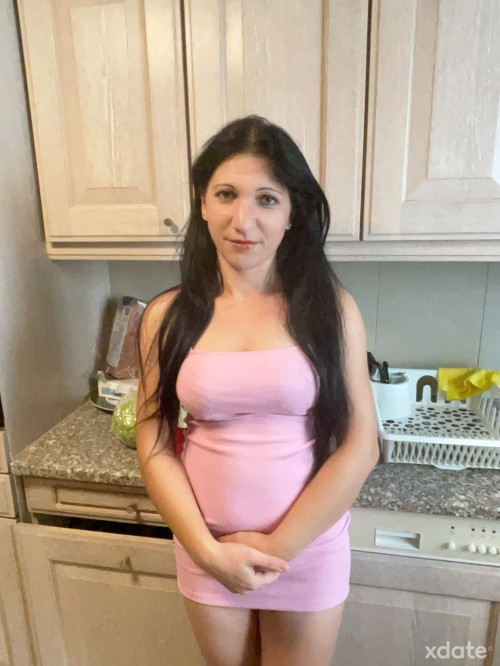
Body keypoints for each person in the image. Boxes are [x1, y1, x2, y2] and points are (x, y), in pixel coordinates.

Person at [136, 116, 379, 666]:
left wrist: (276, 548)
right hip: (208, 547)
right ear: (203, 202)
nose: (242, 220)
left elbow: (361, 445)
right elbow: (154, 442)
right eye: (226, 194)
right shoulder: (166, 315)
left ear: (292, 213)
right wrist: (206, 551)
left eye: (267, 199)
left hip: (306, 549)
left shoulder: (331, 310)